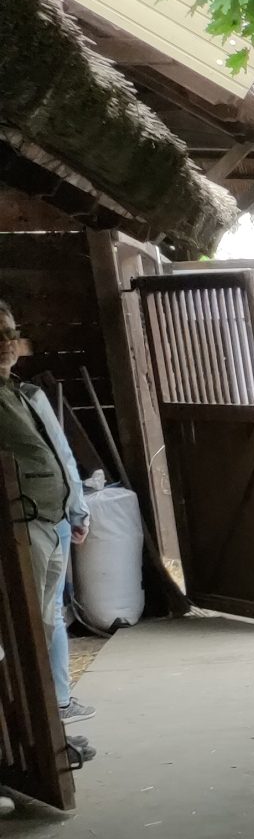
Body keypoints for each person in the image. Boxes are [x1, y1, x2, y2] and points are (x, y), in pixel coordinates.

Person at [2, 302, 97, 748]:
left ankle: (47, 734)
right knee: (25, 630)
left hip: (50, 520)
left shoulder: (20, 392)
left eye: (9, 332)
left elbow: (58, 453)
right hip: (22, 525)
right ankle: (33, 739)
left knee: (44, 623)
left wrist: (75, 507)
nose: (5, 342)